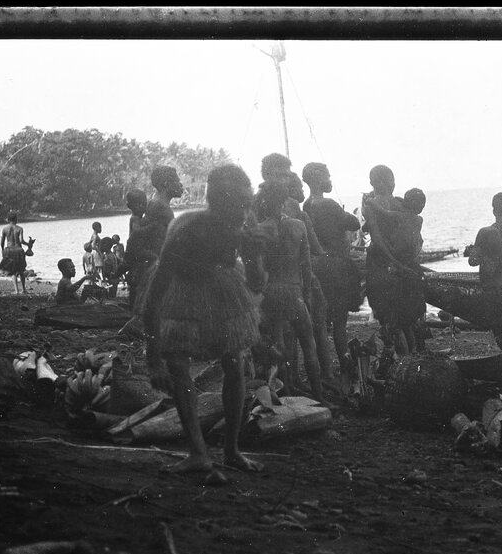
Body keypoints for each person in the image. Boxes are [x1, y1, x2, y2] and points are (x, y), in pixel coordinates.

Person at [140, 164, 263, 473]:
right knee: (178, 364)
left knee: (235, 362)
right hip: (180, 290)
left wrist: (253, 255)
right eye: (239, 206)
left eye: (248, 205)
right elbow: (153, 298)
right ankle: (198, 453)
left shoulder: (242, 227)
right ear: (217, 203)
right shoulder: (185, 230)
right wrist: (153, 357)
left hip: (221, 288)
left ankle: (231, 450)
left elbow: (258, 284)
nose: (245, 213)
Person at [253, 179, 325, 402]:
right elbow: (306, 266)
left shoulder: (259, 230)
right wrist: (307, 295)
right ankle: (319, 397)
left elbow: (257, 269)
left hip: (271, 291)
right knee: (308, 344)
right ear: (284, 201)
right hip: (294, 291)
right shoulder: (298, 225)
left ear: (264, 203)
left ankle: (289, 397)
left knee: (279, 345)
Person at [302, 161, 364, 369]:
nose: (330, 180)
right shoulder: (328, 204)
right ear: (320, 179)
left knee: (322, 318)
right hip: (337, 265)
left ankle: (326, 365)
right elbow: (354, 224)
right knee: (340, 320)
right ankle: (345, 360)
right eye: (327, 176)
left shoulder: (307, 205)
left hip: (318, 265)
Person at [361, 164, 425, 355]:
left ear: (375, 182)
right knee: (405, 318)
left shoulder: (372, 204)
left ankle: (404, 363)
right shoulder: (401, 204)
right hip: (404, 264)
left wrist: (391, 259)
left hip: (382, 263)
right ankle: (413, 359)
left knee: (390, 321)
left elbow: (377, 237)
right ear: (389, 182)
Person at [463, 191, 502, 350]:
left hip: (494, 291)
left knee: (500, 334)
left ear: (494, 211)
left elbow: (473, 261)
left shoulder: (486, 232)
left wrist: (474, 252)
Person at [124, 166, 184, 309]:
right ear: (166, 184)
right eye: (177, 181)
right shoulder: (161, 207)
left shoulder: (155, 203)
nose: (181, 185)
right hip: (153, 265)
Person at [0, 212, 31, 294]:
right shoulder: (19, 228)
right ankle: (23, 289)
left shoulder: (4, 229)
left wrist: (3, 250)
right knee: (21, 270)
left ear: (8, 220)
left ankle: (16, 290)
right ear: (16, 219)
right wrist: (28, 244)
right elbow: (21, 241)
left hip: (9, 250)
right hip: (18, 250)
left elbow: (2, 242)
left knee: (12, 271)